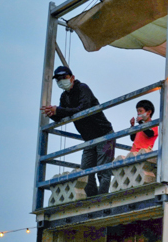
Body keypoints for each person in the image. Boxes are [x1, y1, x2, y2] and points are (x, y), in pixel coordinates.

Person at [41, 66, 115, 197]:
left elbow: (83, 108)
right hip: (88, 139)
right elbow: (61, 115)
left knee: (103, 170)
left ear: (72, 78)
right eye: (58, 79)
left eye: (64, 77)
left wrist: (58, 110)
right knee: (85, 172)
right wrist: (52, 113)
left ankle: (102, 199)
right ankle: (92, 199)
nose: (61, 81)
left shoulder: (83, 88)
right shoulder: (64, 97)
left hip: (104, 134)